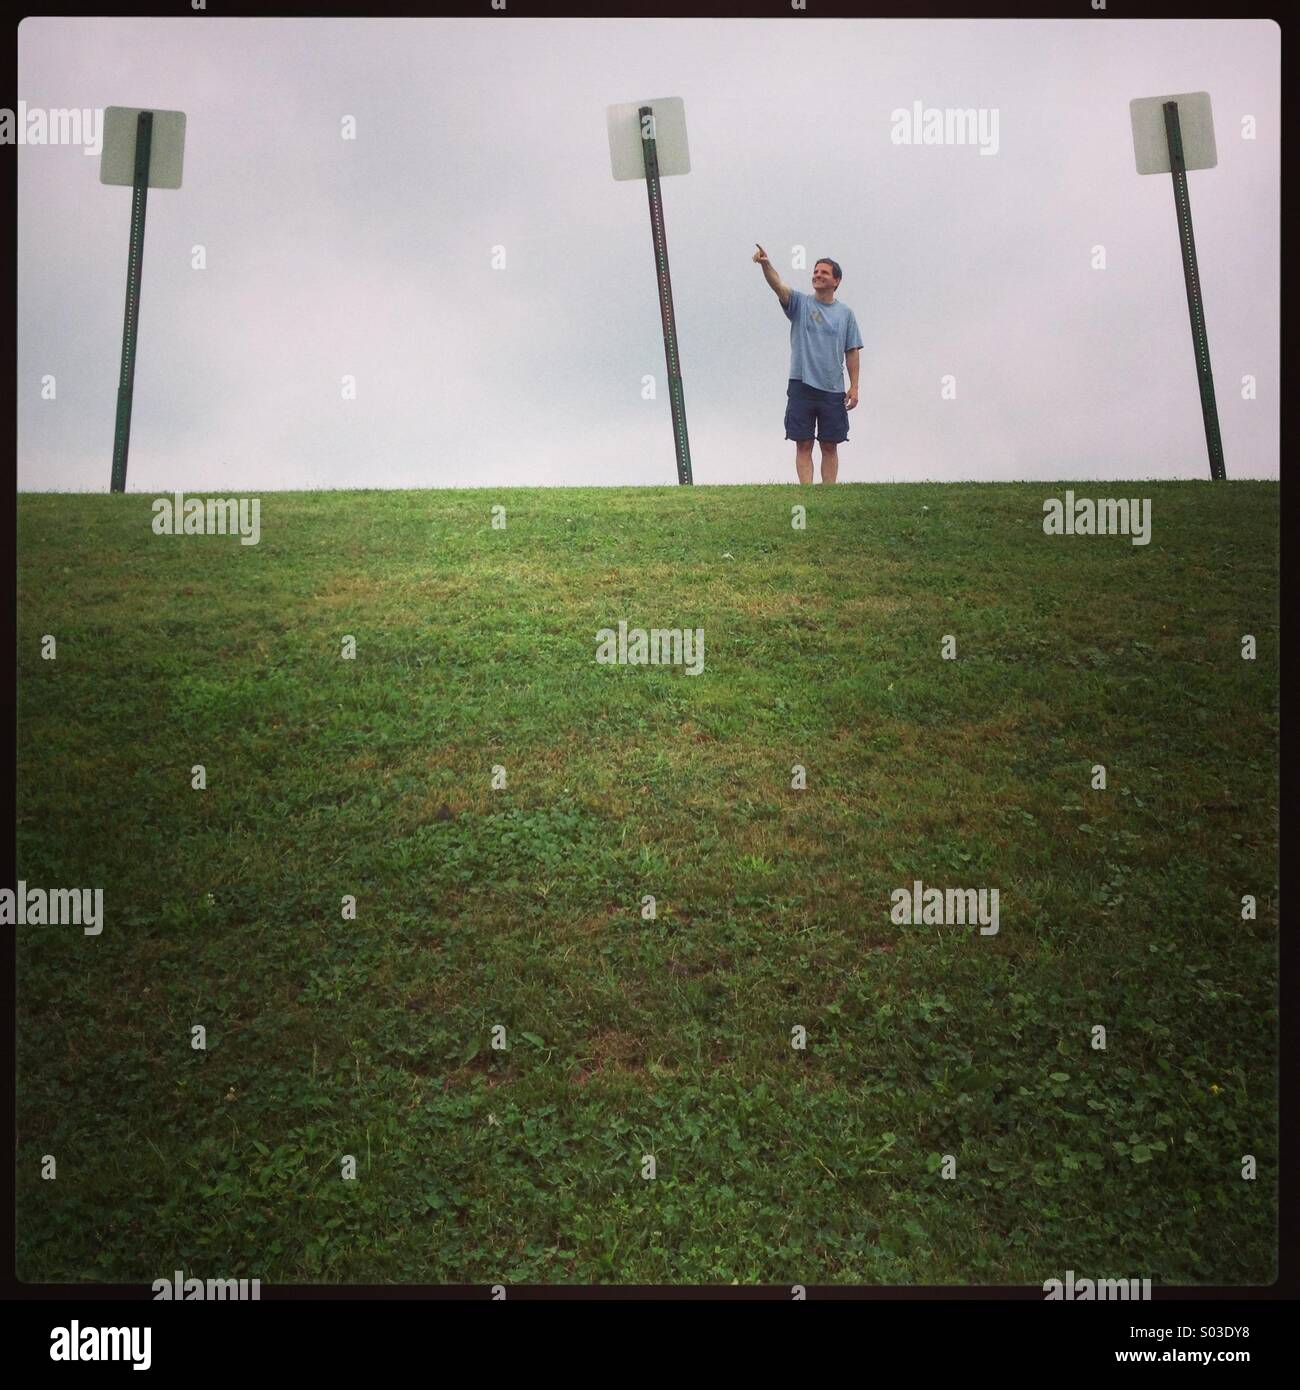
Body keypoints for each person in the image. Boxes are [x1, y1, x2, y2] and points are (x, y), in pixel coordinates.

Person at [753, 245, 862, 483]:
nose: (817, 275)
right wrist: (765, 264)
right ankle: (807, 493)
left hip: (832, 388)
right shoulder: (801, 304)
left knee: (830, 444)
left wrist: (854, 386)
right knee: (803, 442)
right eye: (815, 271)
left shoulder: (845, 314)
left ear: (836, 281)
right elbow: (778, 286)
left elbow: (852, 351)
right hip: (801, 384)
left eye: (824, 272)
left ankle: (828, 492)